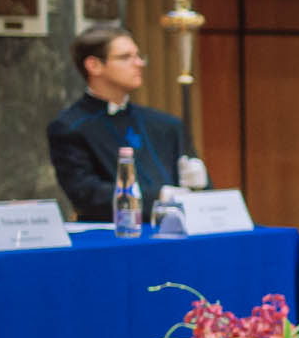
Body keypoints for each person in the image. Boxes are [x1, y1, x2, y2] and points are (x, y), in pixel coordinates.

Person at [46, 25, 208, 220]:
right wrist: (159, 197)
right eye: (125, 57)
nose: (139, 63)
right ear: (94, 65)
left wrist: (199, 186)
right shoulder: (70, 127)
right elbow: (87, 194)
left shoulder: (167, 125)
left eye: (139, 56)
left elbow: (197, 195)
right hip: (114, 233)